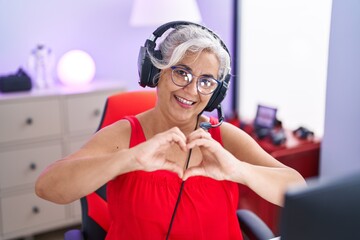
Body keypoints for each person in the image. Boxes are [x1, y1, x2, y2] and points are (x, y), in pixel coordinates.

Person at [35, 21, 306, 239]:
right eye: (182, 73)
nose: (191, 90)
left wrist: (238, 170)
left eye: (206, 81)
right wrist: (129, 159)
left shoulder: (224, 137)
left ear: (216, 93)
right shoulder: (125, 135)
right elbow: (48, 186)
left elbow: (297, 190)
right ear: (157, 72)